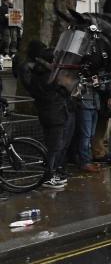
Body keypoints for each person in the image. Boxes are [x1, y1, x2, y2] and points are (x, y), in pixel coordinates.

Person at [17, 41, 72, 188]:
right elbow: (66, 89)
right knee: (55, 146)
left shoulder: (35, 74)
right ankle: (49, 175)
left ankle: (51, 172)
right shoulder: (50, 76)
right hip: (55, 113)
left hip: (46, 112)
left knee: (52, 145)